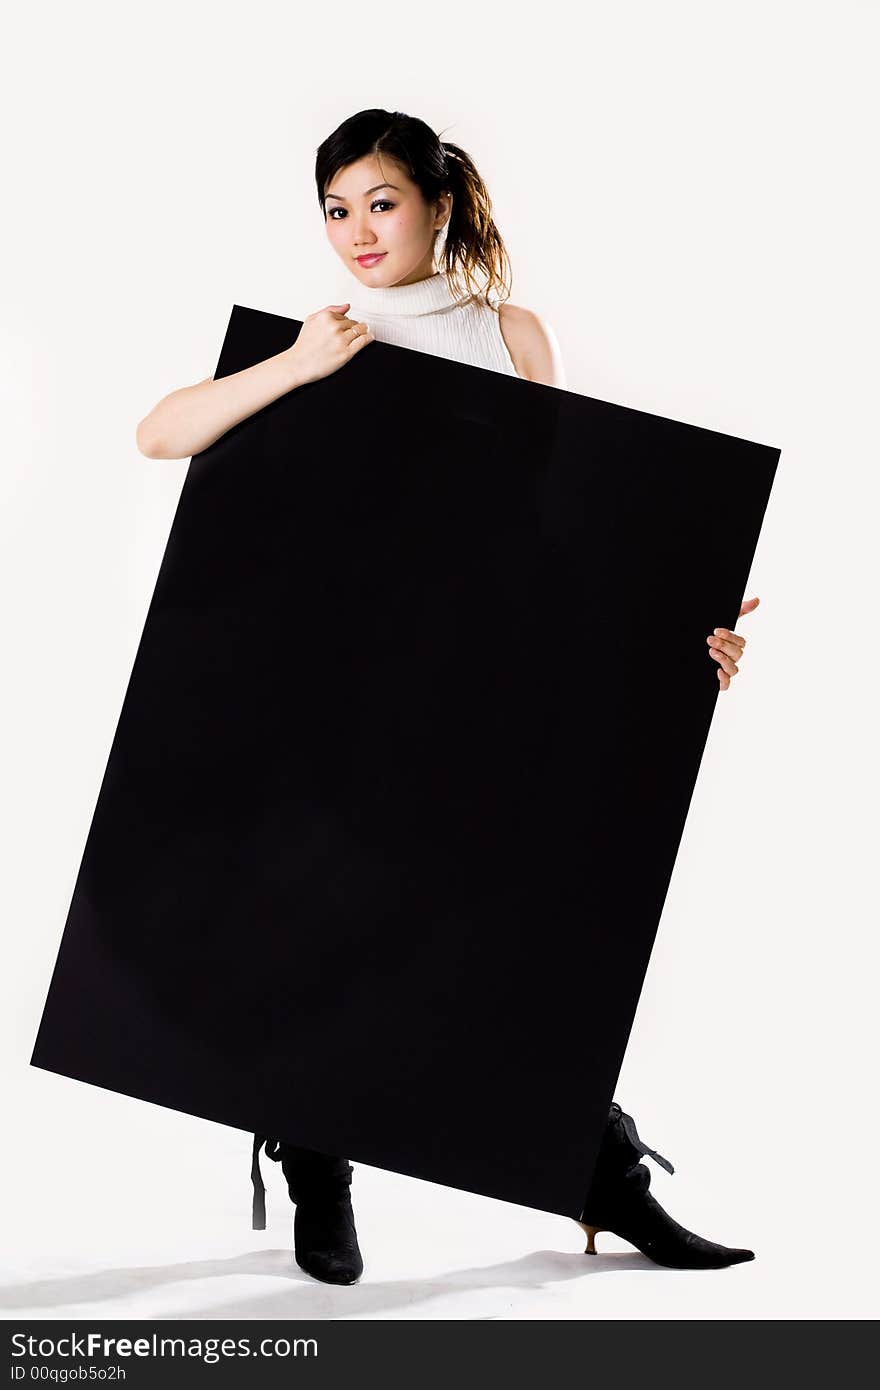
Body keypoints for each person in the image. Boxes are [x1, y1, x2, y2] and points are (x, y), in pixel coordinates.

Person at [136, 108, 758, 1287]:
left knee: (510, 949)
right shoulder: (320, 338)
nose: (358, 231)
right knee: (329, 930)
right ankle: (317, 1158)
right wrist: (302, 364)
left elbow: (563, 537)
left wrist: (688, 638)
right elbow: (162, 434)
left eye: (380, 201)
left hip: (477, 691)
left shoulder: (514, 335)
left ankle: (597, 1177)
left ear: (435, 202)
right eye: (335, 208)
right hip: (328, 695)